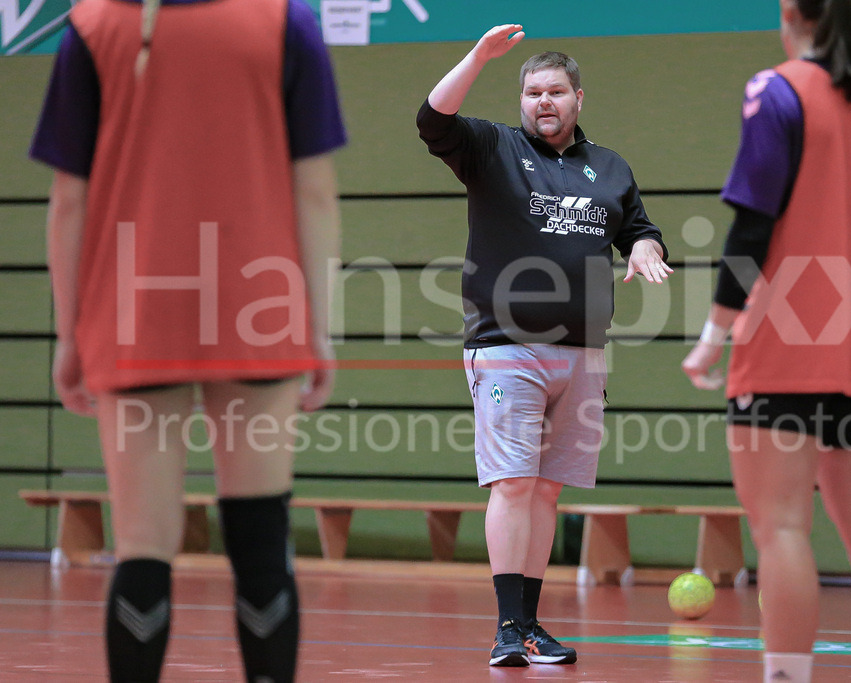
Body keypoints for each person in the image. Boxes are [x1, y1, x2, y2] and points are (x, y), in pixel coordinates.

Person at [30, 0, 344, 680]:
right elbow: (314, 189)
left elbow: (68, 200)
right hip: (257, 308)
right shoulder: (286, 22)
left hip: (136, 313)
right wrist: (317, 325)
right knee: (261, 539)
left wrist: (70, 332)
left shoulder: (89, 28)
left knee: (143, 545)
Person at [681, 1, 851, 681]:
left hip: (782, 347)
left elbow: (751, 230)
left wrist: (712, 335)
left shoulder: (776, 90)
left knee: (783, 529)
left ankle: (786, 674)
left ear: (790, 12)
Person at [416, 24, 671, 668]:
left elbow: (640, 229)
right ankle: (507, 627)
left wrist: (644, 249)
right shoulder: (490, 148)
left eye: (555, 90)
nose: (543, 101)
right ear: (521, 101)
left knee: (548, 492)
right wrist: (477, 57)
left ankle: (531, 627)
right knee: (513, 483)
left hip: (583, 353)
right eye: (532, 92)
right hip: (507, 347)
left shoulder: (609, 167)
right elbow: (432, 118)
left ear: (578, 97)